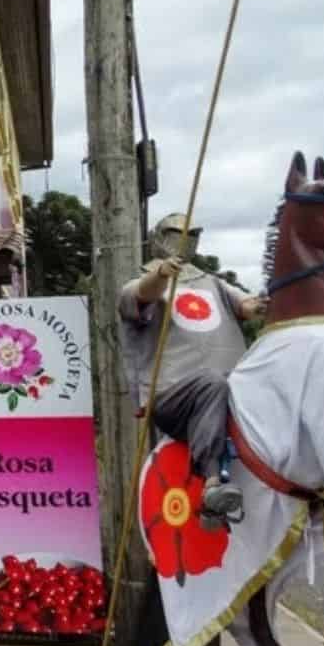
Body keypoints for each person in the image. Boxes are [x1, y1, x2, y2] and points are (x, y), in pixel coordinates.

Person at [119, 213, 264, 527]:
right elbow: (144, 294)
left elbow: (247, 306)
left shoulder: (213, 282)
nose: (185, 238)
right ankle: (212, 482)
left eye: (192, 233)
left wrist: (262, 302)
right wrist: (161, 274)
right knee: (211, 382)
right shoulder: (138, 282)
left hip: (232, 390)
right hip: (172, 396)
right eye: (175, 232)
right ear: (158, 237)